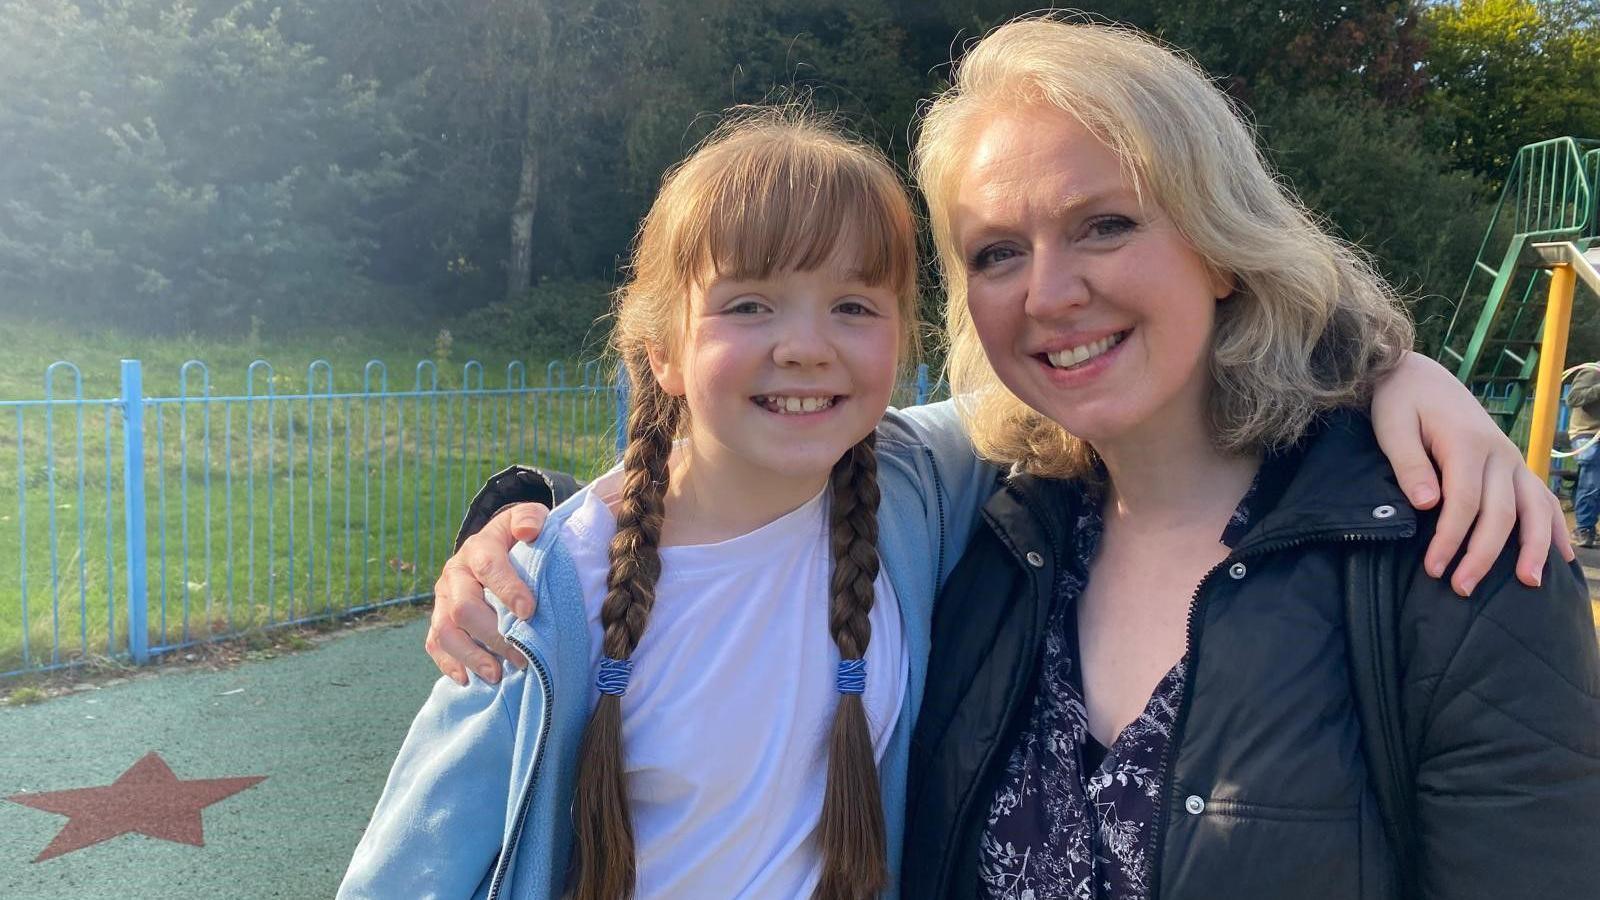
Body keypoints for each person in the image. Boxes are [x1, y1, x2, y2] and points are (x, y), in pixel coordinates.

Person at [420, 22, 1588, 900]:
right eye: (994, 251)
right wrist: (526, 520)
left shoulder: (1446, 553)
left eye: (1105, 224)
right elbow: (749, 455)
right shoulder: (986, 527)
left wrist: (1389, 367)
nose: (1048, 292)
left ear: (1221, 243)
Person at [340, 111, 999, 900]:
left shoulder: (917, 491)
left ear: (902, 339)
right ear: (663, 352)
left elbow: (1055, 390)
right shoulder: (545, 591)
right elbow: (418, 865)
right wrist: (515, 516)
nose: (806, 345)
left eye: (854, 306)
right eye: (750, 305)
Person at [1566, 362, 1600, 547]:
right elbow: (1573, 398)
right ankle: (1584, 528)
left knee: (1593, 481)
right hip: (1587, 434)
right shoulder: (1592, 372)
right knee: (1592, 479)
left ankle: (1588, 526)